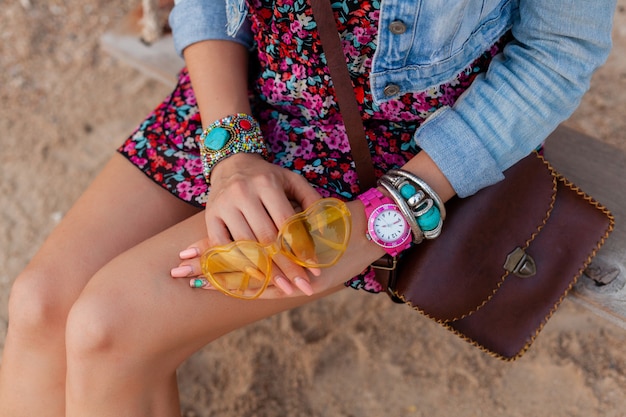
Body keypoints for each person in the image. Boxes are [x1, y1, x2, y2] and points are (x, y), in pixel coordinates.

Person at [0, 0, 616, 415]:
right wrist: (233, 150)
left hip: (399, 147)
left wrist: (388, 215)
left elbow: (556, 52)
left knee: (108, 329)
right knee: (39, 307)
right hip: (241, 96)